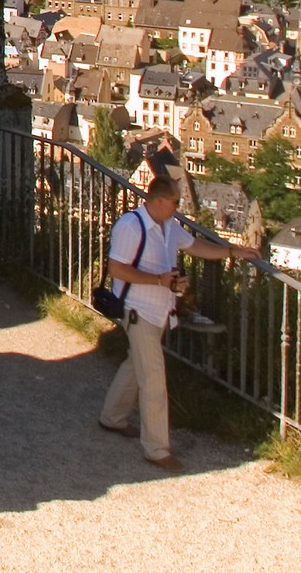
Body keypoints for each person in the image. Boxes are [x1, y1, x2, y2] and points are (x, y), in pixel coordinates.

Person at [98, 170, 240, 470]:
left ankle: (112, 418)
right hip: (138, 310)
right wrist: (160, 281)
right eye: (176, 201)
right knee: (154, 379)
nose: (179, 206)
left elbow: (195, 247)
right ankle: (157, 450)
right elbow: (116, 270)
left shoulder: (168, 226)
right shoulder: (131, 226)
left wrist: (231, 252)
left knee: (136, 365)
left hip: (157, 310)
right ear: (160, 200)